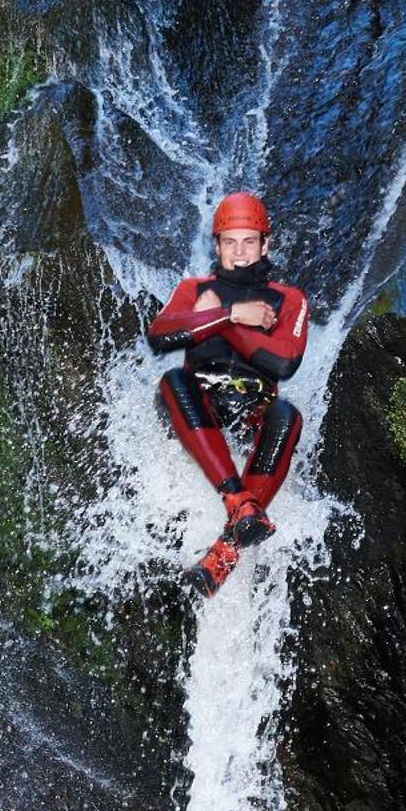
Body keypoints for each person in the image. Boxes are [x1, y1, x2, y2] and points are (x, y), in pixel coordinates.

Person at [146, 191, 309, 597]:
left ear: (265, 244)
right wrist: (229, 313)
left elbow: (284, 363)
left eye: (249, 241)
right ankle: (237, 500)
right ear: (216, 246)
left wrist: (223, 320)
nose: (239, 252)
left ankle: (225, 551)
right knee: (173, 380)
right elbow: (160, 334)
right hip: (200, 410)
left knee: (287, 414)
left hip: (253, 412)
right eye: (230, 242)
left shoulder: (289, 299)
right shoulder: (194, 289)